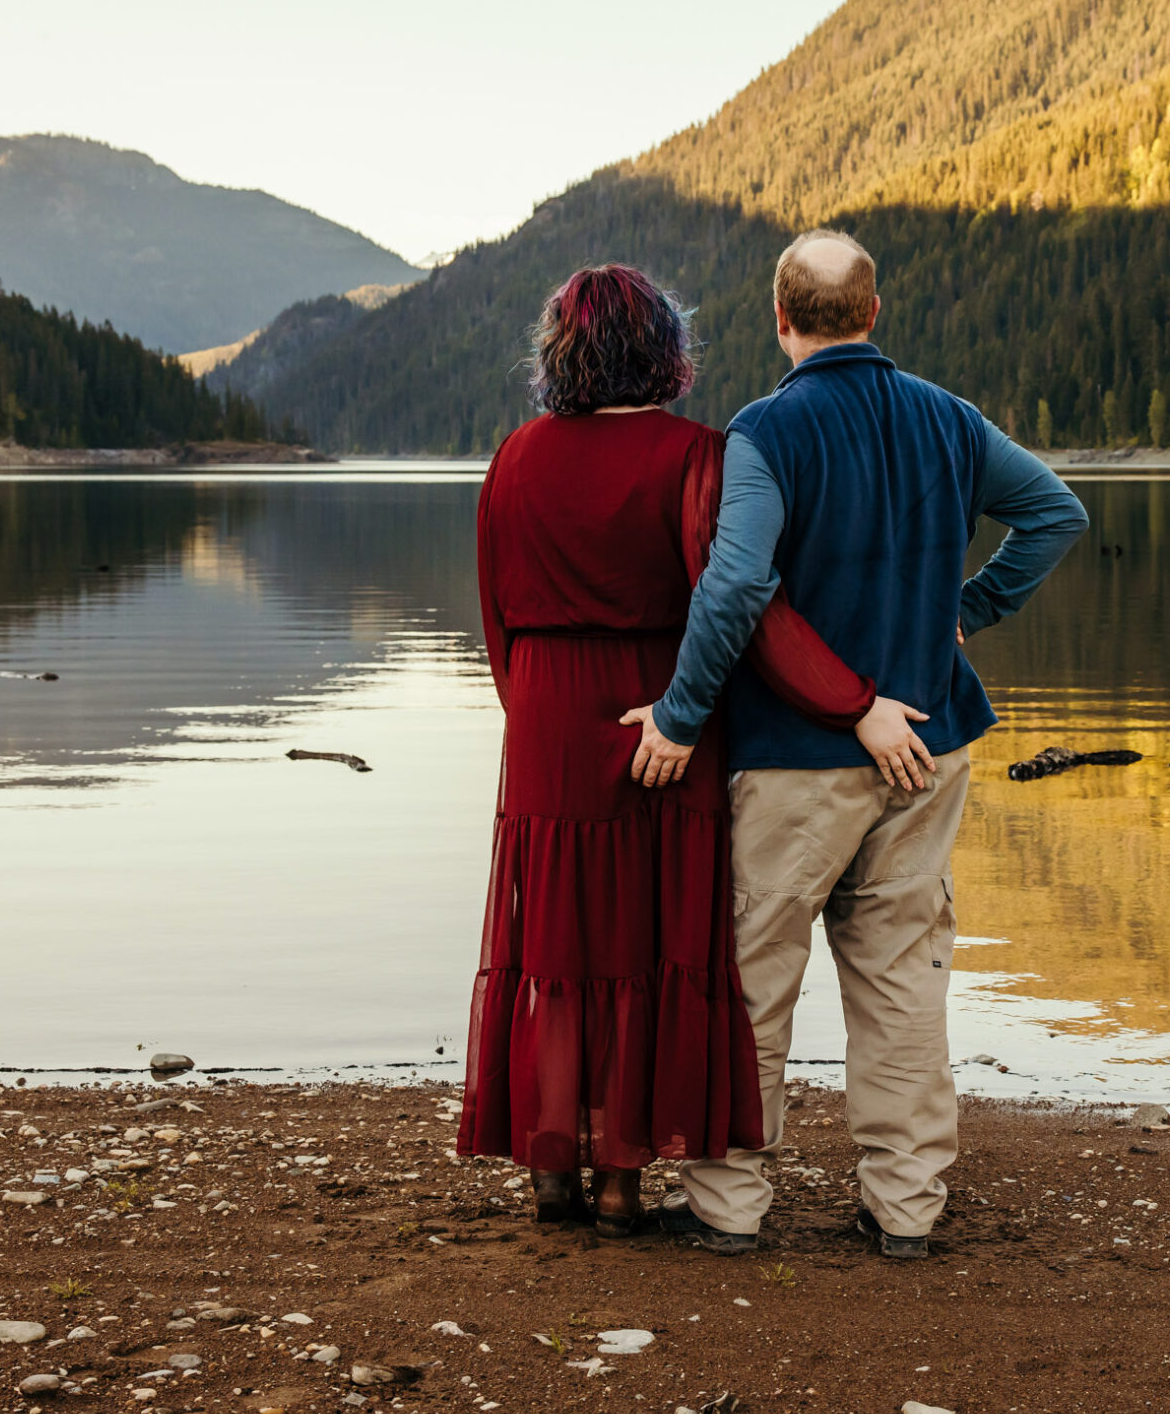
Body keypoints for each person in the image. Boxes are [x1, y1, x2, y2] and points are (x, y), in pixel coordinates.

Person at [623, 229, 1088, 1260]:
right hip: (929, 746)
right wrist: (967, 611)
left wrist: (681, 713)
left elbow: (740, 585)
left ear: (779, 319)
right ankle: (907, 1208)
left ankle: (731, 1208)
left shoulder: (766, 431)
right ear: (873, 314)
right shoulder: (948, 418)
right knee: (903, 978)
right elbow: (1054, 515)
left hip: (796, 759)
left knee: (754, 979)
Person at [455, 263, 938, 1238]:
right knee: (646, 938)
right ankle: (626, 1181)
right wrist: (853, 702)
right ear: (663, 349)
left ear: (560, 353)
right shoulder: (698, 455)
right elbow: (746, 607)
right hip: (665, 711)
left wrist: (533, 717)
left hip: (546, 713)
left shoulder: (513, 458)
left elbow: (497, 614)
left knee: (553, 941)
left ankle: (553, 1166)